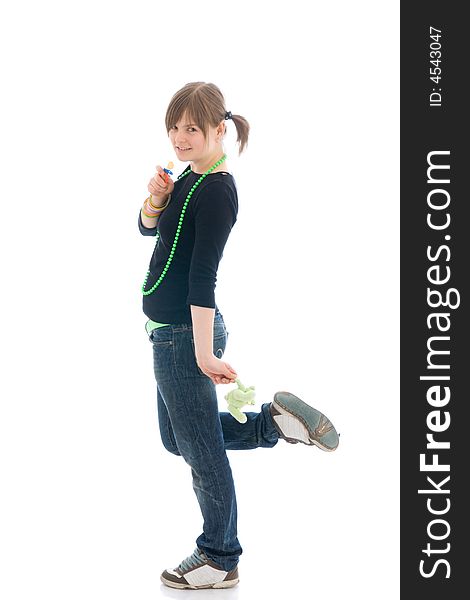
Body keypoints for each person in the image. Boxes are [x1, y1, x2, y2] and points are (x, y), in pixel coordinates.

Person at [138, 82, 339, 590]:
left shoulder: (218, 192)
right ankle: (275, 424)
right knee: (176, 439)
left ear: (217, 130)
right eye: (175, 126)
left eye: (192, 129)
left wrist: (203, 351)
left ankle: (219, 555)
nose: (180, 137)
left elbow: (203, 275)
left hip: (186, 336)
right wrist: (155, 200)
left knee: (201, 449)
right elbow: (148, 231)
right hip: (169, 332)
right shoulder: (189, 177)